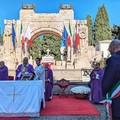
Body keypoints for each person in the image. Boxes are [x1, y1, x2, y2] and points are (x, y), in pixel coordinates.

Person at [102, 40, 120, 120]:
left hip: (117, 98)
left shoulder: (113, 60)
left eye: (109, 48)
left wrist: (103, 93)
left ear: (113, 48)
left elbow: (107, 82)